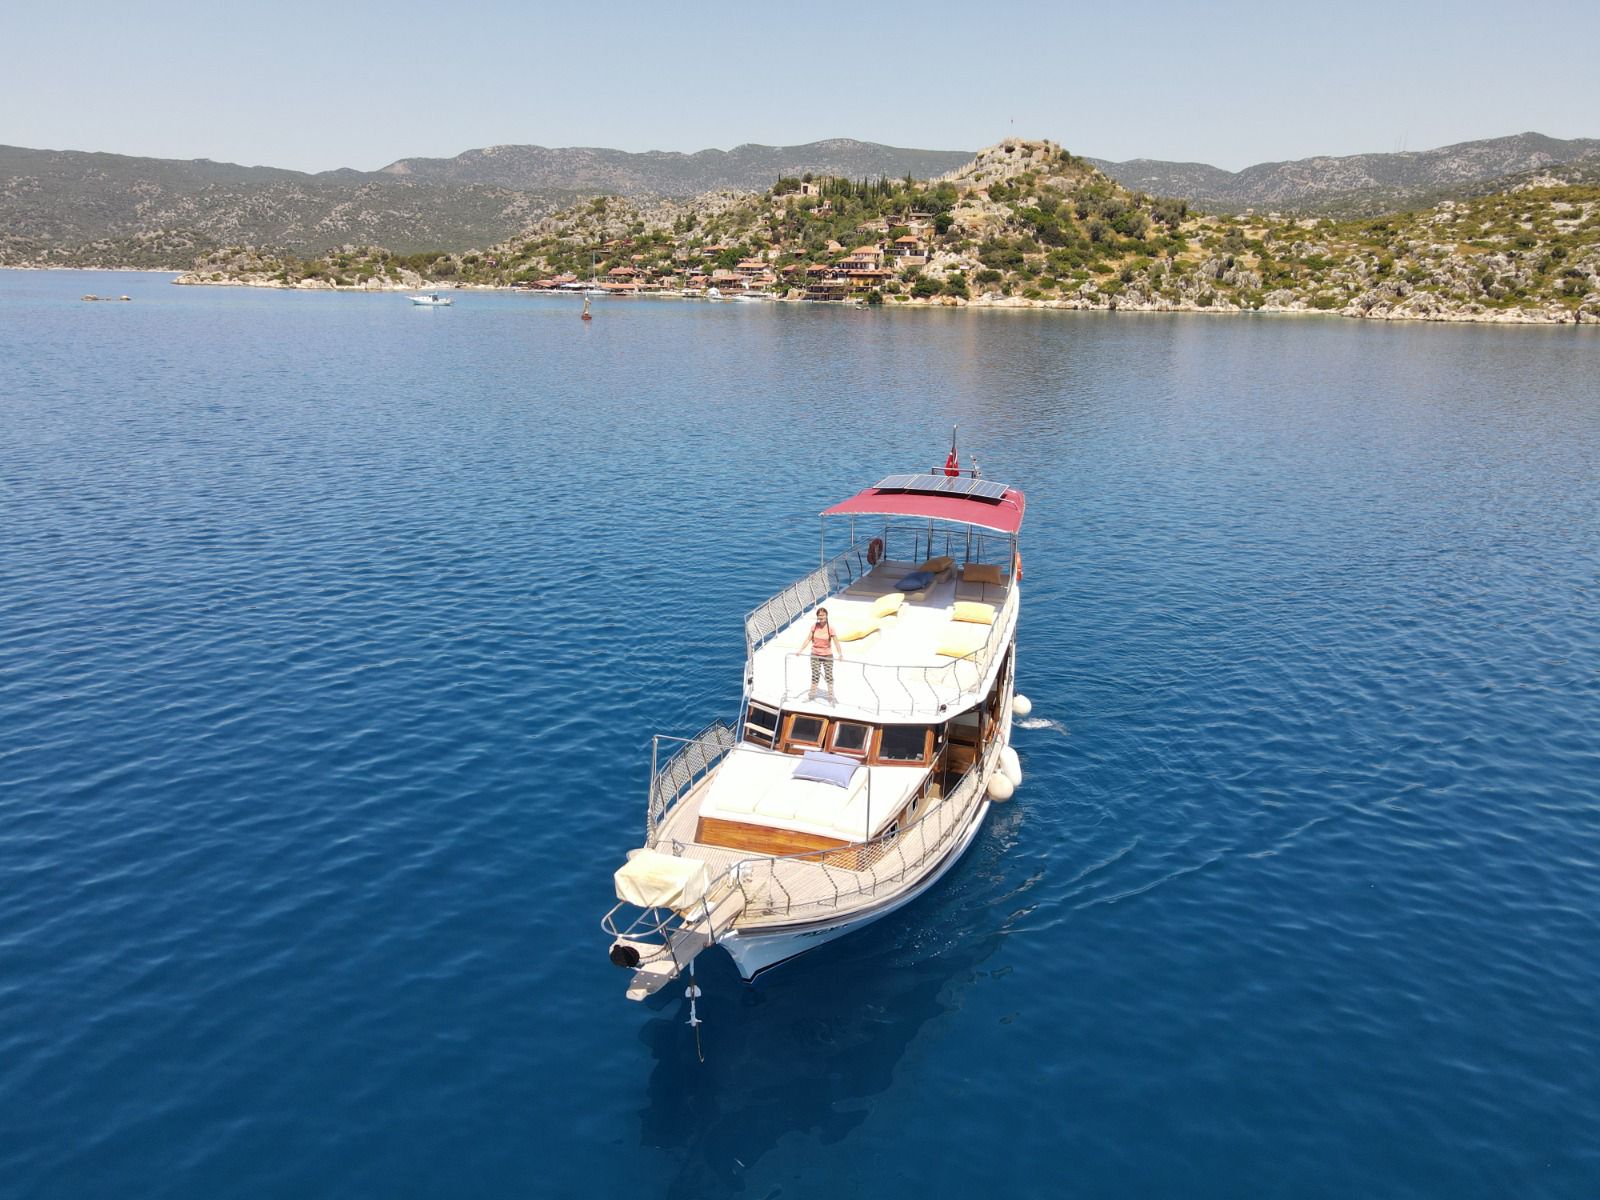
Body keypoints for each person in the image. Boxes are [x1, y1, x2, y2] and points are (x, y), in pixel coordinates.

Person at [794, 607, 841, 702]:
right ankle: (811, 695)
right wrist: (800, 650)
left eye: (823, 615)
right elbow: (808, 639)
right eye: (819, 615)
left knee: (829, 675)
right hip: (815, 654)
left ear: (826, 616)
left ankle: (831, 696)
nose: (821, 617)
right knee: (815, 675)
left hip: (827, 655)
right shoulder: (814, 626)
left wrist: (840, 654)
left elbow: (836, 642)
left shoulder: (830, 628)